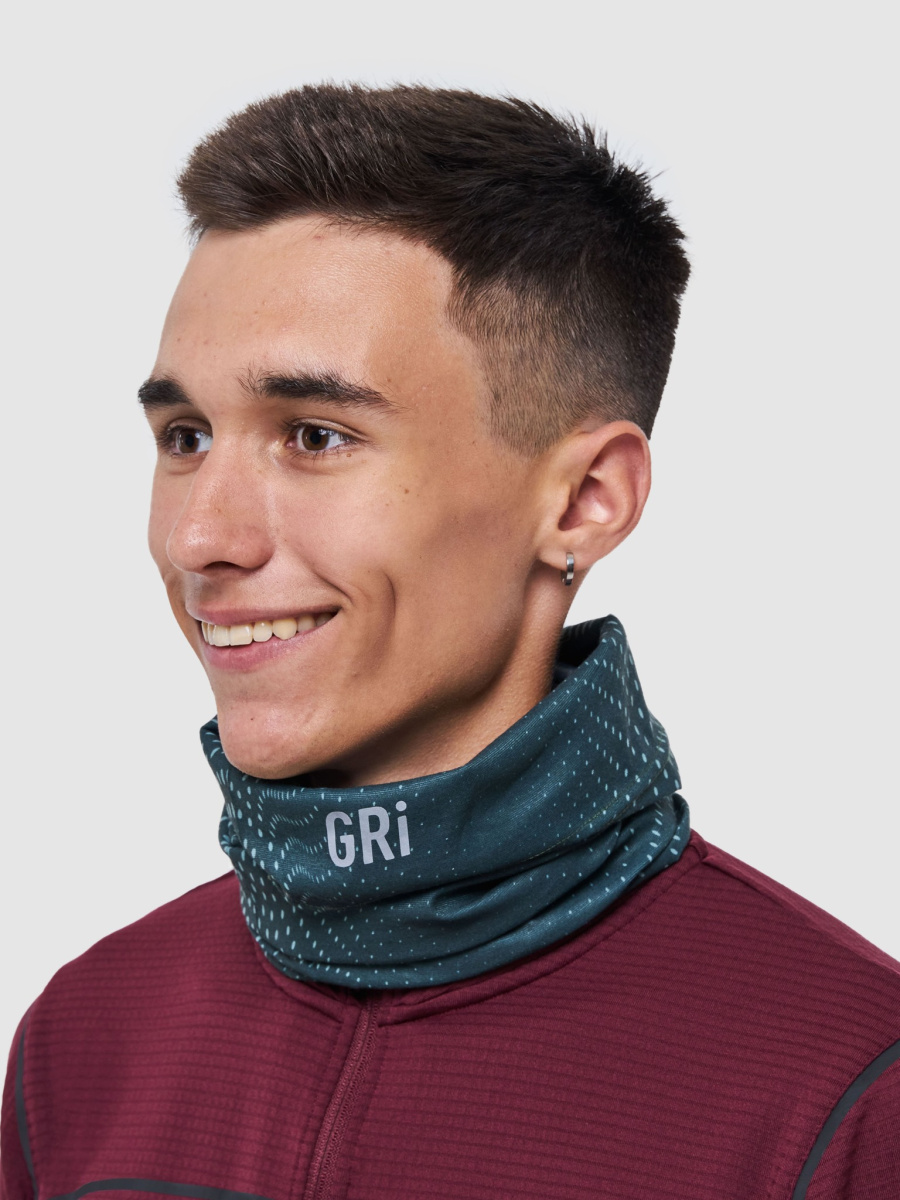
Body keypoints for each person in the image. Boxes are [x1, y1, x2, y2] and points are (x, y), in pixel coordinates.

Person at [2, 84, 898, 1200]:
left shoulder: (852, 1094)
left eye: (314, 436)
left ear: (585, 501)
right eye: (185, 436)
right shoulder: (83, 1041)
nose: (200, 538)